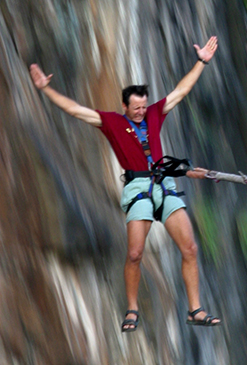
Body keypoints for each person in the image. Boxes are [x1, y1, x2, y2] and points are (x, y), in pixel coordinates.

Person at [30, 36, 222, 332]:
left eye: (144, 107)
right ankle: (132, 309)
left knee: (191, 248)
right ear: (124, 106)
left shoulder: (156, 113)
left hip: (164, 183)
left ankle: (194, 309)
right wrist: (46, 90)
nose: (141, 111)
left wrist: (201, 63)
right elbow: (75, 110)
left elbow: (181, 91)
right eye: (136, 108)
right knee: (134, 253)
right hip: (137, 187)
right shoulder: (112, 123)